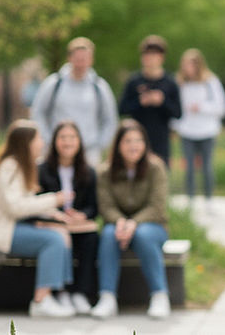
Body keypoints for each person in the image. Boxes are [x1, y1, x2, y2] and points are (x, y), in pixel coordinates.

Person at [0, 119, 78, 317]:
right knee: (53, 240)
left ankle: (60, 292)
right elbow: (16, 207)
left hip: (7, 225)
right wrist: (54, 199)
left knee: (61, 233)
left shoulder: (20, 165)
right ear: (27, 143)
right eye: (38, 139)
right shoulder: (9, 167)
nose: (42, 143)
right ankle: (41, 300)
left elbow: (24, 202)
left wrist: (52, 214)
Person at [90, 120, 172, 319]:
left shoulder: (156, 168)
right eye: (127, 141)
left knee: (143, 235)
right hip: (117, 226)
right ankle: (107, 297)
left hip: (152, 226)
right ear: (118, 144)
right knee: (108, 235)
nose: (133, 146)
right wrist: (120, 221)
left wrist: (133, 223)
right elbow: (106, 206)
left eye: (138, 140)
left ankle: (159, 295)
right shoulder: (105, 171)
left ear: (145, 144)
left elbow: (157, 206)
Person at [37, 121, 101, 315]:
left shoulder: (88, 172)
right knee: (60, 240)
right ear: (54, 141)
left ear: (79, 142)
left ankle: (80, 292)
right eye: (62, 137)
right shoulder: (42, 170)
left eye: (72, 137)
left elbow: (94, 206)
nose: (67, 142)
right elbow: (37, 201)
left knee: (91, 239)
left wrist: (82, 215)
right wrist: (58, 215)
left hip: (78, 225)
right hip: (52, 223)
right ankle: (61, 291)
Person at [31, 37, 119, 163]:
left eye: (84, 59)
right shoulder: (54, 83)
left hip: (89, 153)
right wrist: (47, 139)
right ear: (69, 58)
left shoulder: (99, 87)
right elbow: (38, 112)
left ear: (91, 60)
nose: (80, 64)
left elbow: (110, 119)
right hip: (56, 151)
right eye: (77, 59)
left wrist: (100, 145)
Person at [173, 48, 225, 209]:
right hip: (187, 131)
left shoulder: (210, 82)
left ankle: (208, 199)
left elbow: (222, 107)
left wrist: (202, 107)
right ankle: (190, 198)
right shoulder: (180, 84)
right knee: (189, 167)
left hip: (207, 130)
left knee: (207, 167)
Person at [119, 35, 183, 167]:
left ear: (161, 57)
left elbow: (178, 113)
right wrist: (140, 102)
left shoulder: (170, 82)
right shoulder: (134, 81)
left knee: (160, 174)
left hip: (161, 140)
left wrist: (162, 102)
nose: (150, 59)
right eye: (147, 54)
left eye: (154, 55)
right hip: (136, 140)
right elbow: (122, 109)